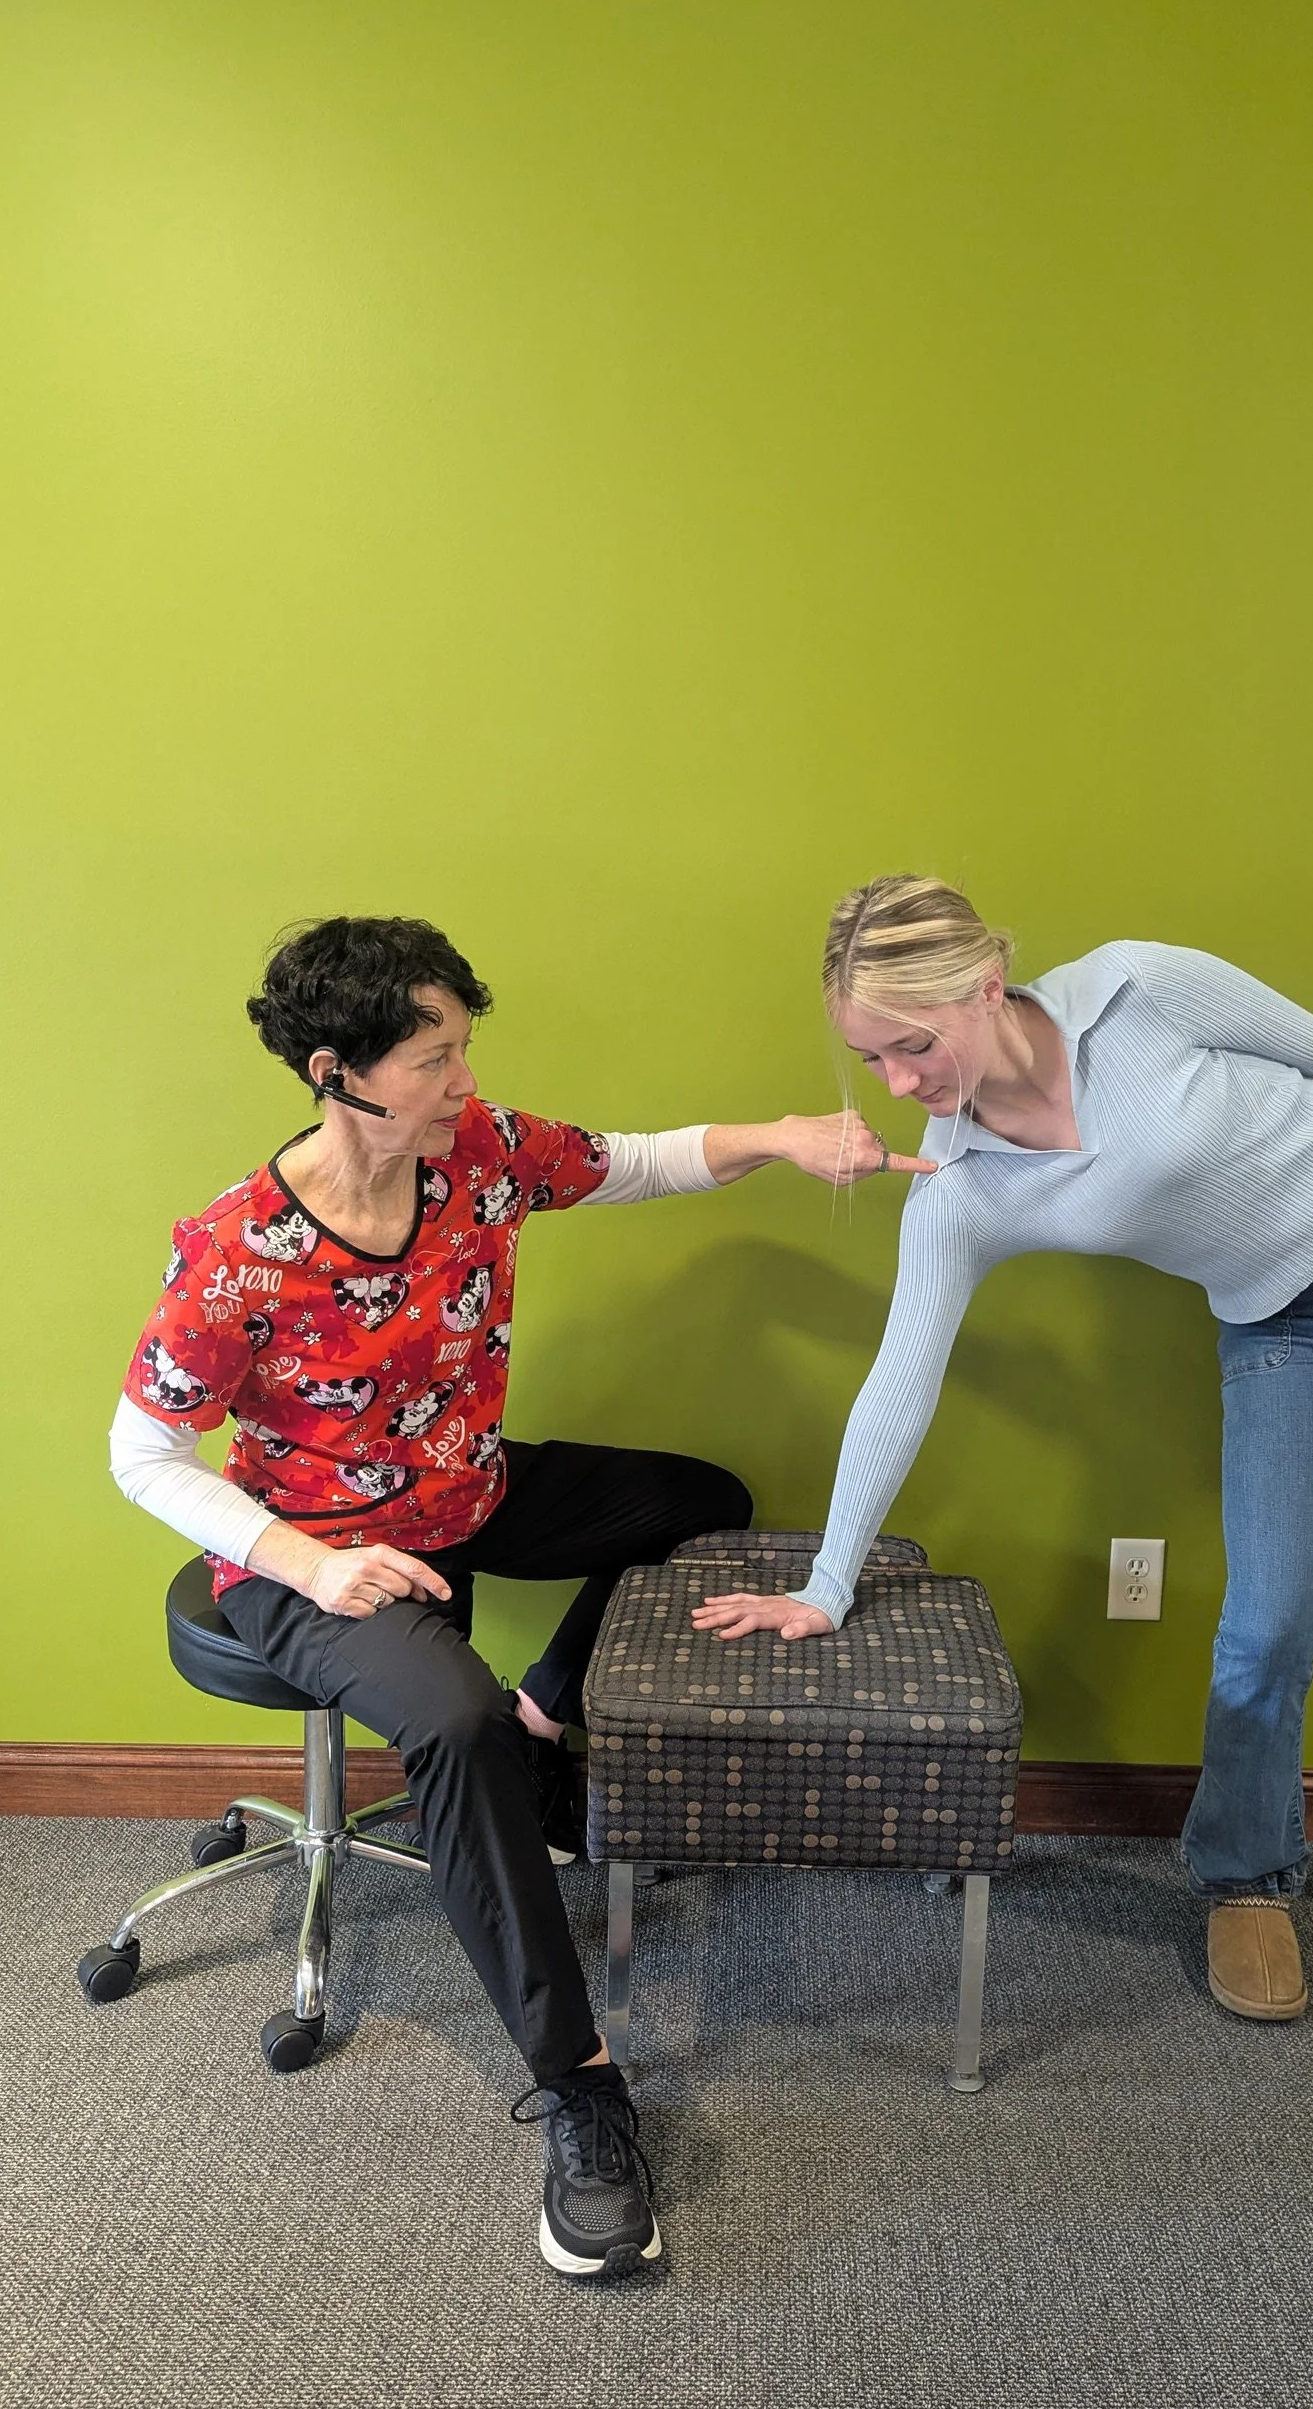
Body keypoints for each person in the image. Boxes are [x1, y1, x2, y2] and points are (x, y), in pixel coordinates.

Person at [110, 914, 923, 2280]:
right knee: (455, 1721)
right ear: (336, 1072)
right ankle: (581, 2086)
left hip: (466, 1493)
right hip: (315, 1557)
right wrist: (311, 1564)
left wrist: (784, 1136)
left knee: (700, 1501)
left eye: (463, 1049)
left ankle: (547, 1724)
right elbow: (141, 1451)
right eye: (434, 1058)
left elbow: (634, 1161)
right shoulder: (240, 1251)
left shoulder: (477, 1153)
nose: (464, 1081)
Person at [694, 876, 1313, 2035]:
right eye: (870, 1060)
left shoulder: (1137, 988)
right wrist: (827, 1582)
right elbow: (899, 1377)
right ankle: (1245, 1881)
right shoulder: (959, 1182)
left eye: (913, 1045)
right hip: (1281, 1319)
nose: (900, 1083)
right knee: (1266, 1625)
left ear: (985, 986)